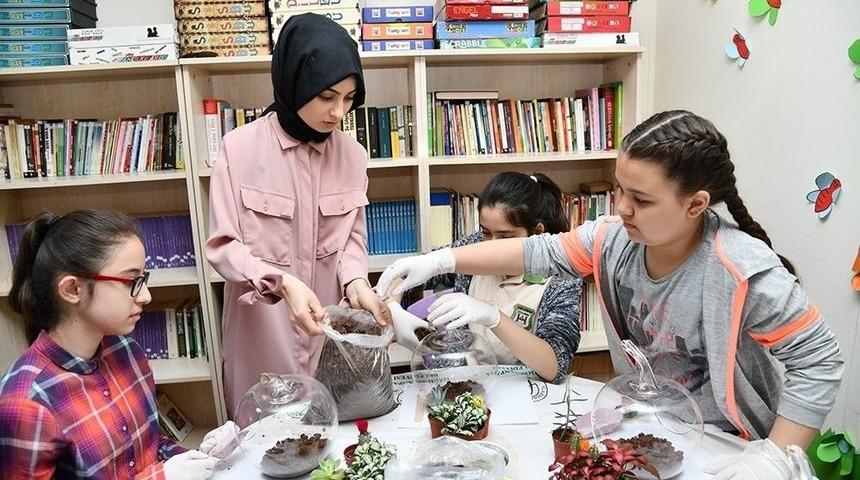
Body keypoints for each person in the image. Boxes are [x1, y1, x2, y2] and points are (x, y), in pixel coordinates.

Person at [377, 111, 844, 480]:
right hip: (648, 429)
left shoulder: (742, 270)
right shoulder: (614, 239)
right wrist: (442, 262)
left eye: (641, 199)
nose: (621, 208)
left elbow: (820, 361)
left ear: (695, 205)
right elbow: (538, 251)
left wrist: (774, 458)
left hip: (725, 447)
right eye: (620, 189)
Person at [205, 13, 389, 415]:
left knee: (333, 450)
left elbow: (351, 240)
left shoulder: (353, 155)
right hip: (262, 336)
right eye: (326, 97)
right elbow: (222, 247)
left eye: (349, 98)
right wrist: (281, 282)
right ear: (294, 81)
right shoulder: (238, 149)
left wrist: (357, 281)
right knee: (266, 450)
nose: (338, 112)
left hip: (329, 337)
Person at [0, 210, 218, 479]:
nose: (146, 296)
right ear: (72, 289)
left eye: (143, 279)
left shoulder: (126, 350)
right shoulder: (26, 401)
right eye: (131, 281)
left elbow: (149, 449)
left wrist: (196, 459)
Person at [388, 172, 582, 383]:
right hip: (469, 385)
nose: (491, 245)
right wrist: (393, 308)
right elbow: (405, 273)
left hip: (526, 393)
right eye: (486, 232)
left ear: (536, 234)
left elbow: (555, 366)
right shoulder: (475, 246)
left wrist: (493, 317)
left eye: (505, 237)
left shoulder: (562, 276)